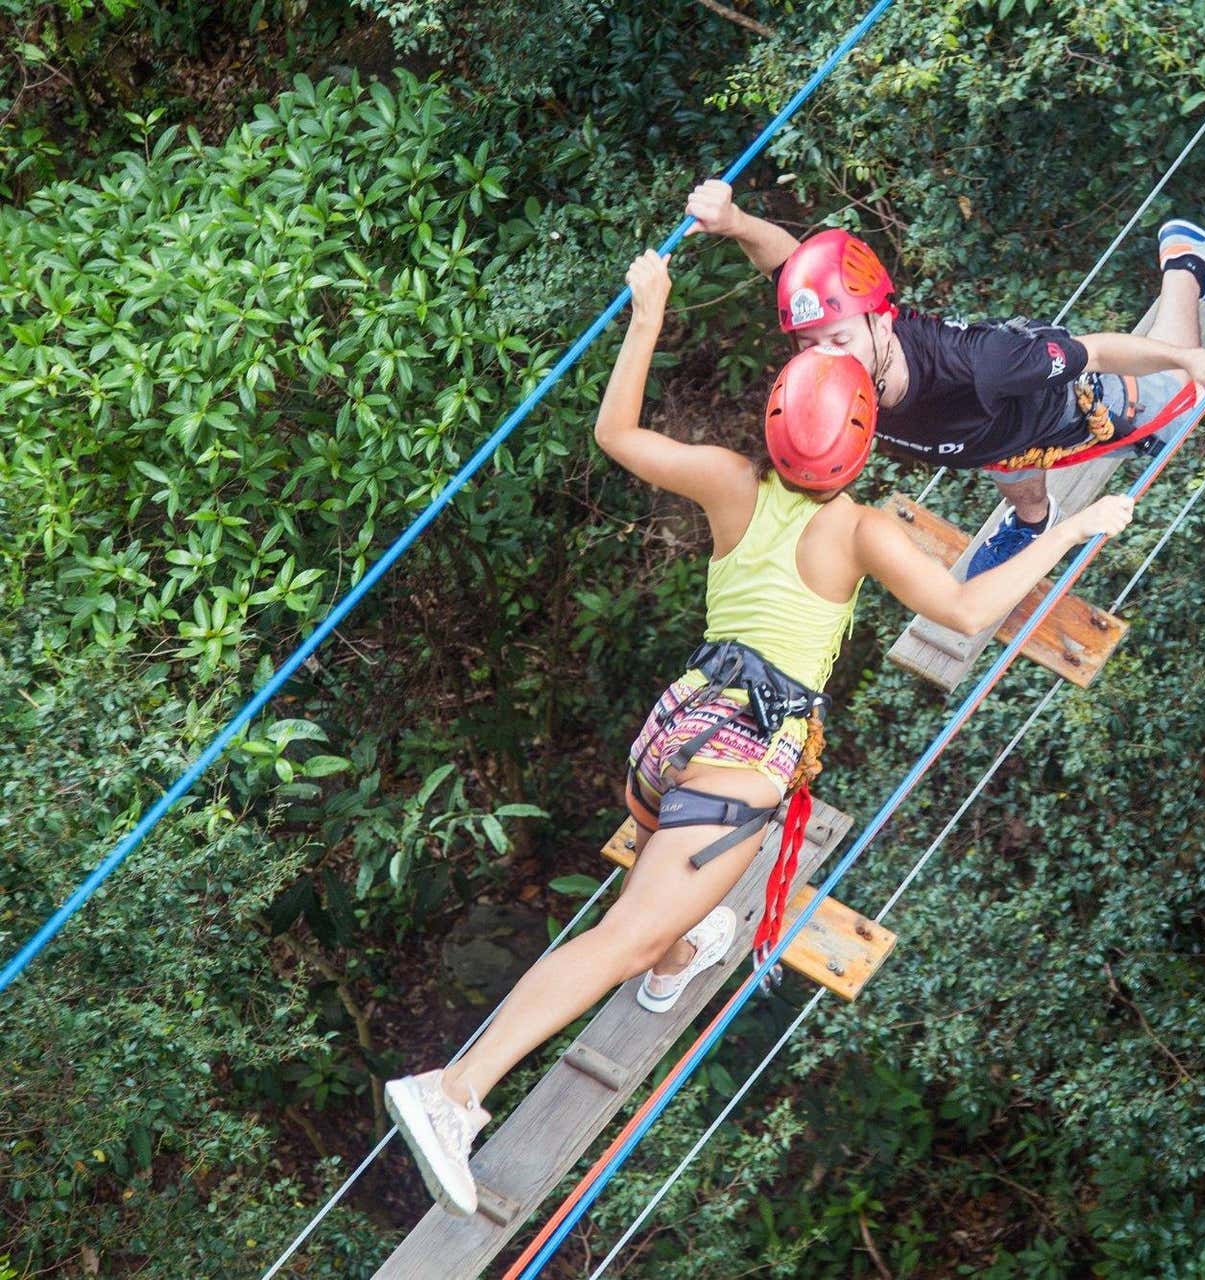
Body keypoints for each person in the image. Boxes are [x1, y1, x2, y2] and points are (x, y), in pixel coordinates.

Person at [382, 251, 1135, 1217]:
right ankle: (451, 1090)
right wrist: (1065, 534)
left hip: (677, 723)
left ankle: (677, 950)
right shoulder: (860, 531)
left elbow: (617, 432)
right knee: (619, 935)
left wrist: (647, 311)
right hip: (744, 753)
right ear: (862, 445)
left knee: (660, 907)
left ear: (778, 418)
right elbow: (965, 609)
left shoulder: (730, 479)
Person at [687, 179, 1205, 578]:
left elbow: (1095, 352)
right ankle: (1031, 521)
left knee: (1179, 406)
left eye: (840, 340)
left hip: (1060, 398)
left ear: (881, 319)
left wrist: (1198, 365)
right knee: (1001, 457)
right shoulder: (828, 380)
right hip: (996, 437)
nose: (826, 356)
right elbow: (796, 271)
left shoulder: (985, 364)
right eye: (810, 342)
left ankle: (1187, 263)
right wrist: (735, 221)